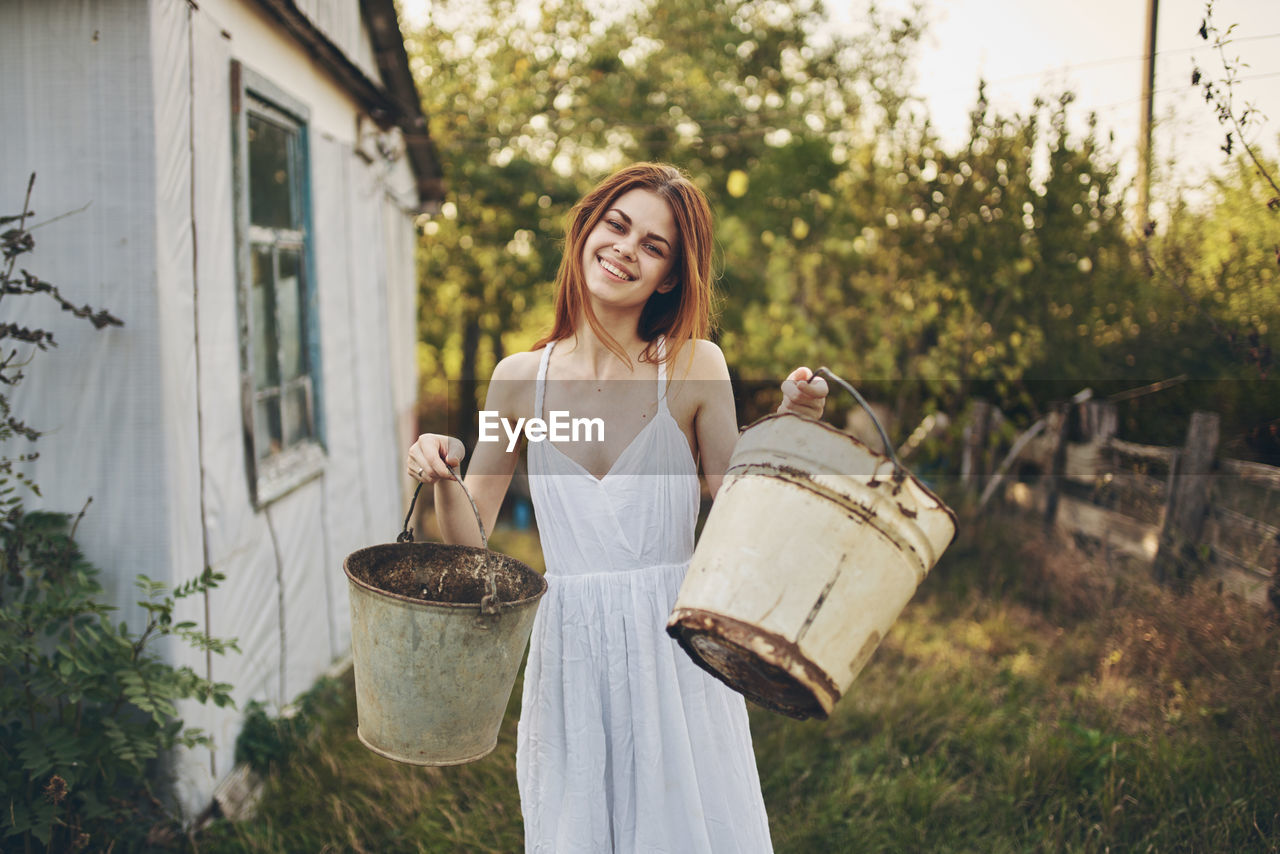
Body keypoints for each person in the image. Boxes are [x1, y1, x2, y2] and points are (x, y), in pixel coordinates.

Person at [407, 162, 827, 853]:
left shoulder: (693, 367)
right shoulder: (520, 383)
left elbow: (739, 501)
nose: (626, 248)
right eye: (617, 225)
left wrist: (790, 418)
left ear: (668, 276)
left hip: (678, 643)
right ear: (587, 232)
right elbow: (469, 547)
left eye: (654, 245)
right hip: (571, 643)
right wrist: (443, 475)